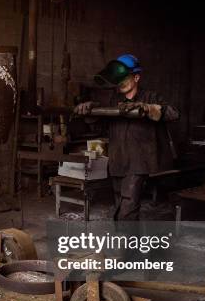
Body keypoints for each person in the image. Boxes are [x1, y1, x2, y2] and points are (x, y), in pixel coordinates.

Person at [74, 54, 179, 221]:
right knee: (121, 206)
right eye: (119, 78)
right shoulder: (114, 101)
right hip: (118, 160)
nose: (121, 82)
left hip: (139, 163)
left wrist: (149, 108)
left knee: (127, 211)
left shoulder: (150, 97)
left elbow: (174, 113)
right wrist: (91, 112)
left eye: (125, 77)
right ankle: (130, 243)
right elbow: (101, 127)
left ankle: (126, 246)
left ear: (136, 77)